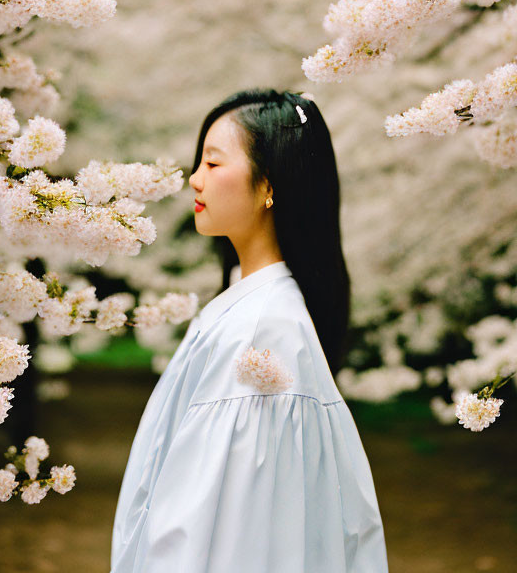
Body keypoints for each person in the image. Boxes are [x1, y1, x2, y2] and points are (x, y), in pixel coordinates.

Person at [110, 89, 389, 572]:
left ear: (268, 185)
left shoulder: (262, 330)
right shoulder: (253, 306)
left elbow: (234, 517)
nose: (194, 180)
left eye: (214, 164)